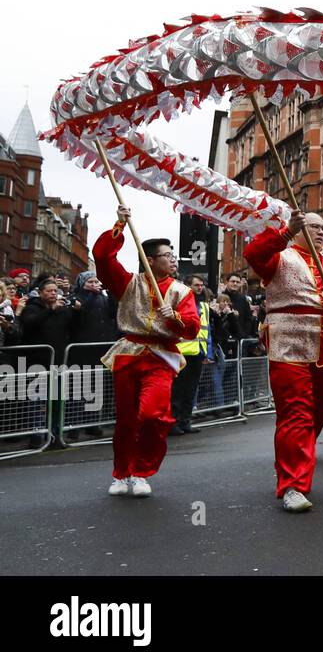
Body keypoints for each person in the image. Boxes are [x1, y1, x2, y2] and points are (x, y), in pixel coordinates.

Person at [244, 210, 323, 512]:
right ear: (298, 229)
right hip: (288, 344)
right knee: (295, 413)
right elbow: (254, 255)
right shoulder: (280, 256)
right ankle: (293, 485)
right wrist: (282, 234)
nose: (322, 233)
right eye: (314, 227)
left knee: (317, 411)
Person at [93, 205, 200, 498]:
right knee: (126, 419)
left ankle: (142, 470)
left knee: (153, 415)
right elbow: (102, 257)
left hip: (161, 357)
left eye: (172, 255)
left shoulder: (182, 291)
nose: (173, 259)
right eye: (167, 255)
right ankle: (121, 472)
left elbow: (191, 327)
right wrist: (120, 225)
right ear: (150, 260)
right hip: (129, 354)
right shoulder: (128, 283)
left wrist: (174, 317)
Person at [169, 275, 210, 435]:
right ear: (187, 285)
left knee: (190, 390)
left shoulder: (204, 305)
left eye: (201, 285)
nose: (200, 287)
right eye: (196, 285)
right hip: (181, 352)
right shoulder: (180, 302)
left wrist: (207, 351)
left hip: (197, 352)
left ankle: (185, 421)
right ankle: (173, 422)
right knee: (177, 390)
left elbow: (207, 331)